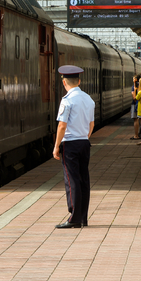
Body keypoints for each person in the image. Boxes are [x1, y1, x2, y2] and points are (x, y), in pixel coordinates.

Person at [53, 66, 96, 229]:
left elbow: (62, 126)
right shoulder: (88, 99)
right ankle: (83, 217)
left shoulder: (67, 100)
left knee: (72, 180)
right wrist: (85, 136)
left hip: (70, 144)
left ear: (64, 82)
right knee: (84, 179)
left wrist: (56, 146)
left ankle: (74, 218)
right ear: (79, 81)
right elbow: (91, 124)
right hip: (84, 143)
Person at [131, 75, 141, 140]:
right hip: (140, 105)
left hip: (135, 104)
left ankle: (136, 135)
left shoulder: (134, 87)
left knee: (136, 119)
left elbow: (134, 98)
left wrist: (134, 89)